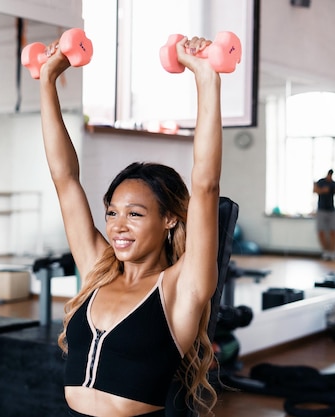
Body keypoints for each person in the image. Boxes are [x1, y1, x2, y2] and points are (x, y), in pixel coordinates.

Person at [37, 35, 222, 417]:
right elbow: (65, 179)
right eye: (112, 212)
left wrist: (206, 77)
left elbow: (205, 185)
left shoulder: (179, 288)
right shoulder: (97, 272)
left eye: (135, 214)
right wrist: (47, 81)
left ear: (169, 218)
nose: (118, 226)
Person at [313, 169, 335, 261]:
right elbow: (314, 191)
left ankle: (332, 252)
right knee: (321, 231)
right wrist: (323, 191)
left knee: (333, 232)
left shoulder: (334, 184)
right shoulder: (321, 182)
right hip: (321, 210)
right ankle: (325, 251)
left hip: (331, 211)